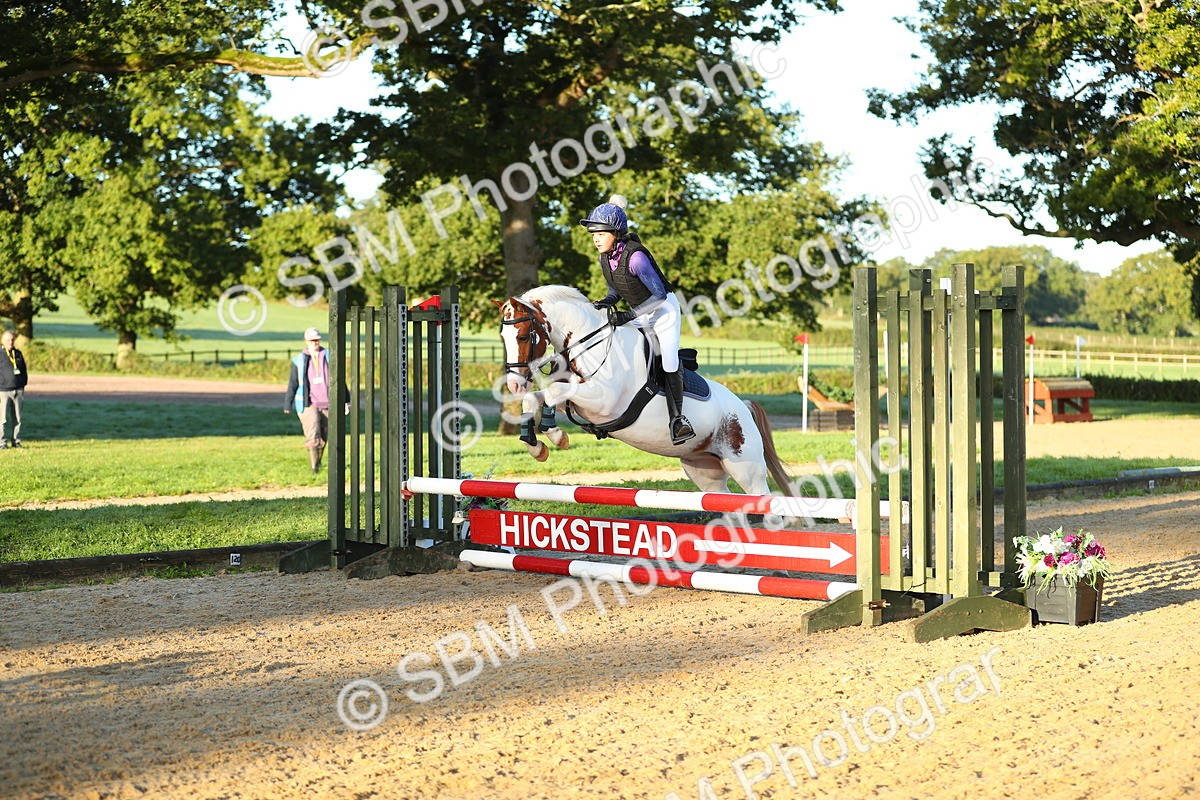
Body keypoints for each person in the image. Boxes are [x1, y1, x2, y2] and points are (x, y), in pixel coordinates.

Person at [580, 195, 695, 444]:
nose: (596, 239)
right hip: (640, 312)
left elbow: (659, 296)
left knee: (669, 361)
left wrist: (628, 315)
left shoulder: (636, 257)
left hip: (663, 311)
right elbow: (616, 290)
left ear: (617, 233)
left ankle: (678, 421)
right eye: (593, 235)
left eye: (600, 233)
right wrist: (605, 302)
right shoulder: (605, 258)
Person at [285, 327, 332, 473]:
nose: (315, 343)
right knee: (313, 433)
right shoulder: (299, 360)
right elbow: (293, 382)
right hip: (308, 402)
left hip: (327, 401)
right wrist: (288, 403)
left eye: (317, 340)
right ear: (306, 341)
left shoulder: (329, 356)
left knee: (324, 436)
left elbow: (339, 379)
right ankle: (314, 469)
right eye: (312, 340)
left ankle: (318, 463)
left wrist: (346, 399)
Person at [0, 329, 27, 449]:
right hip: (4, 391)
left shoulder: (18, 354)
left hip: (18, 390)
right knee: (3, 419)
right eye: (7, 340)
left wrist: (23, 385)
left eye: (12, 340)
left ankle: (16, 441)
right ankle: (2, 443)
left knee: (18, 418)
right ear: (2, 341)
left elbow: (24, 371)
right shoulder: (0, 354)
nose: (10, 342)